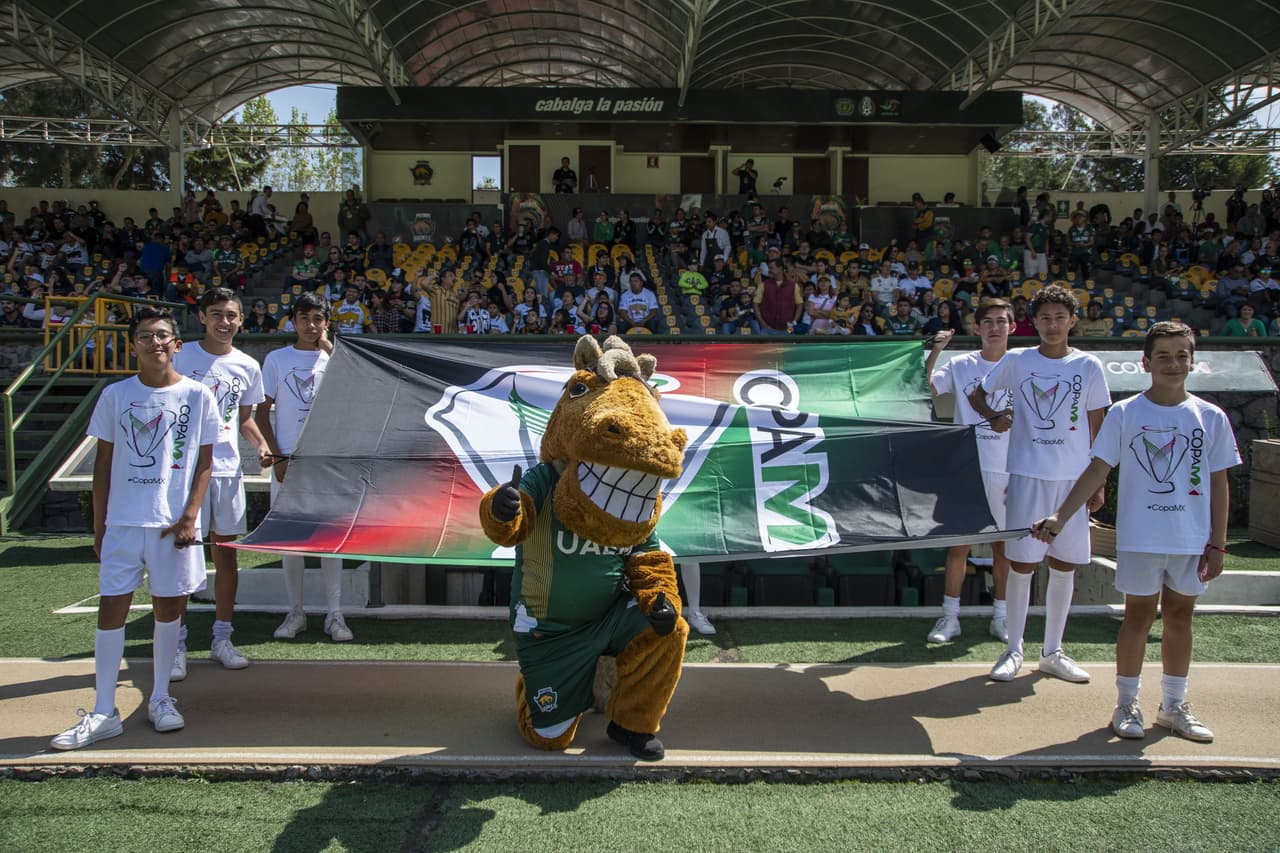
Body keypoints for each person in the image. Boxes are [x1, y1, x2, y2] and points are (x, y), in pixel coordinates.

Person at [1030, 322, 1239, 742]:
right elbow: (1097, 469)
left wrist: (1218, 541)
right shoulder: (1126, 413)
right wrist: (1060, 516)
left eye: (1182, 355)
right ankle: (1126, 703)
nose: (1173, 364)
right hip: (1142, 538)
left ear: (1193, 361)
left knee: (1180, 617)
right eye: (1163, 356)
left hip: (1191, 540)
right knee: (1138, 618)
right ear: (1146, 362)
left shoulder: (1209, 416)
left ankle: (1174, 706)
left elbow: (1218, 482)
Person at [51, 307, 220, 750]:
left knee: (168, 612)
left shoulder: (199, 395)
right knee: (113, 610)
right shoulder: (114, 395)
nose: (155, 342)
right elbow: (102, 464)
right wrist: (99, 525)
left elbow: (205, 463)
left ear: (177, 344)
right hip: (124, 522)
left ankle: (161, 697)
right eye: (145, 336)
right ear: (133, 346)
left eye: (163, 335)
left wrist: (189, 517)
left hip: (172, 525)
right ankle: (104, 710)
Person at [968, 285, 1111, 683]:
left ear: (1072, 321)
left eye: (1059, 317)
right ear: (1035, 322)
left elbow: (1100, 426)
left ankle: (1052, 652)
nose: (1052, 325)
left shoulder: (1088, 366)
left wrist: (1099, 484)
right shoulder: (1017, 360)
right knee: (1023, 564)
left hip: (1074, 481)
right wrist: (993, 416)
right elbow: (978, 393)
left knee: (1064, 565)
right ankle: (1013, 649)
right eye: (1045, 318)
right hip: (1027, 475)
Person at [171, 288, 272, 676]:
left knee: (226, 554)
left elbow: (243, 418)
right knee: (182, 555)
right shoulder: (182, 356)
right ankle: (176, 643)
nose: (224, 322)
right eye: (216, 314)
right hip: (184, 474)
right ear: (202, 317)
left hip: (228, 471)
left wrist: (261, 445)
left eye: (231, 315)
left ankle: (222, 638)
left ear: (241, 319)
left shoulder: (248, 365)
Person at [254, 293, 353, 643]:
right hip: (288, 462)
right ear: (292, 321)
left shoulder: (339, 357)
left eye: (318, 319)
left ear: (327, 322)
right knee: (290, 541)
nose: (311, 326)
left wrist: (329, 347)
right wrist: (277, 456)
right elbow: (262, 411)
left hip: (328, 463)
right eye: (304, 318)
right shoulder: (277, 359)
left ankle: (334, 614)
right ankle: (295, 612)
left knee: (330, 541)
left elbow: (357, 390)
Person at [925, 299, 1015, 645]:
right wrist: (935, 352)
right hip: (967, 469)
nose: (995, 327)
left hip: (1009, 471)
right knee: (958, 548)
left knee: (1002, 548)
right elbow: (927, 387)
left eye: (1001, 321)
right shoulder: (961, 364)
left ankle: (1001, 618)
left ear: (1012, 327)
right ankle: (949, 618)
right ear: (977, 328)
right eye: (988, 322)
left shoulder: (1023, 366)